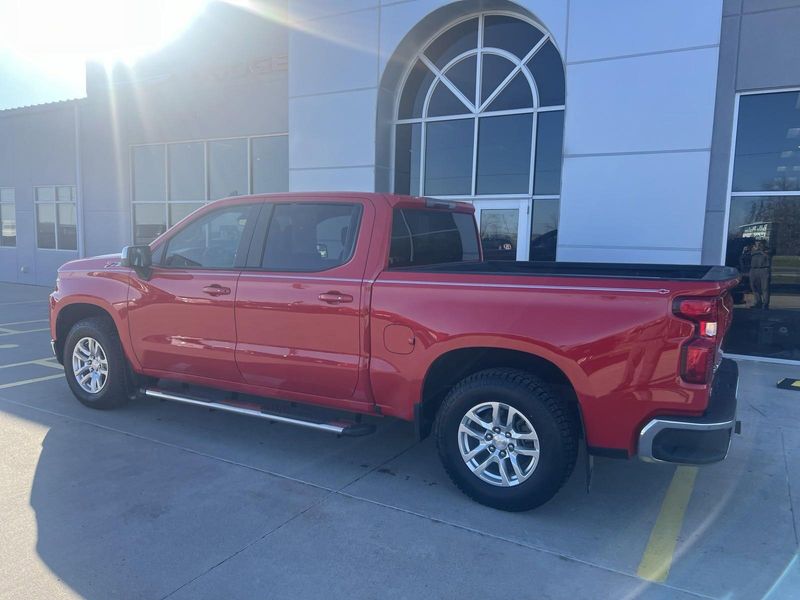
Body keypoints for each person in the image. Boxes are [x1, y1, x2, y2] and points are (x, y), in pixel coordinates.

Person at [749, 240, 771, 309]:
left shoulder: (768, 250)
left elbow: (767, 256)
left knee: (765, 288)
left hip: (764, 269)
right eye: (756, 244)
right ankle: (758, 302)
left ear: (763, 244)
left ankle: (765, 304)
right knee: (754, 287)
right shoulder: (752, 250)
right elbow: (748, 255)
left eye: (759, 244)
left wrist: (759, 251)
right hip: (753, 269)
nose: (758, 245)